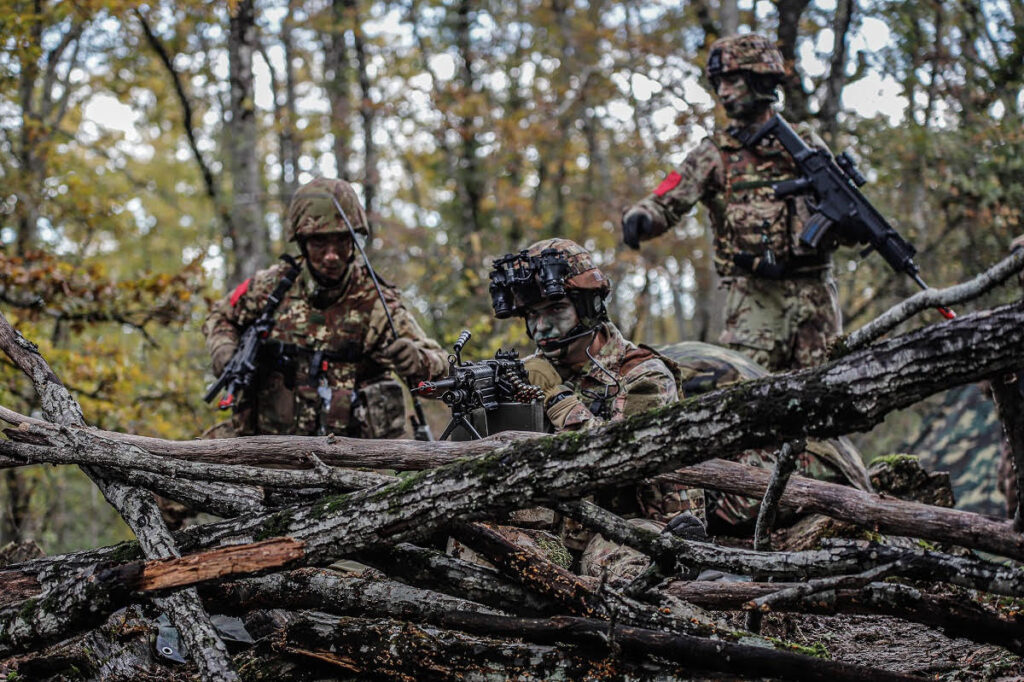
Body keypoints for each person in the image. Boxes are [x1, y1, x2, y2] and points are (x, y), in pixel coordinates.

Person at [487, 238, 706, 580]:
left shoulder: (644, 375)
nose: (541, 328)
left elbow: (623, 461)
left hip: (630, 526)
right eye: (532, 314)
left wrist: (557, 399)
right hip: (559, 530)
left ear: (588, 306)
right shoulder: (535, 371)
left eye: (555, 310)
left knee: (627, 577)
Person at [621, 33, 842, 372]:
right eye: (719, 83)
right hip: (754, 300)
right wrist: (642, 216)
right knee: (750, 403)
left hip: (816, 300)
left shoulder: (806, 143)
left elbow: (841, 200)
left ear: (760, 79)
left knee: (830, 402)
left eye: (732, 80)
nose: (723, 91)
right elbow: (669, 196)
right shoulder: (717, 152)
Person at [202, 177, 447, 438]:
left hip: (351, 465)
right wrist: (224, 349)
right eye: (320, 243)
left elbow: (441, 380)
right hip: (265, 455)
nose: (331, 255)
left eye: (341, 241)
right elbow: (221, 315)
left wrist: (419, 362)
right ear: (303, 244)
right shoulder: (272, 288)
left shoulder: (376, 304)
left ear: (354, 241)